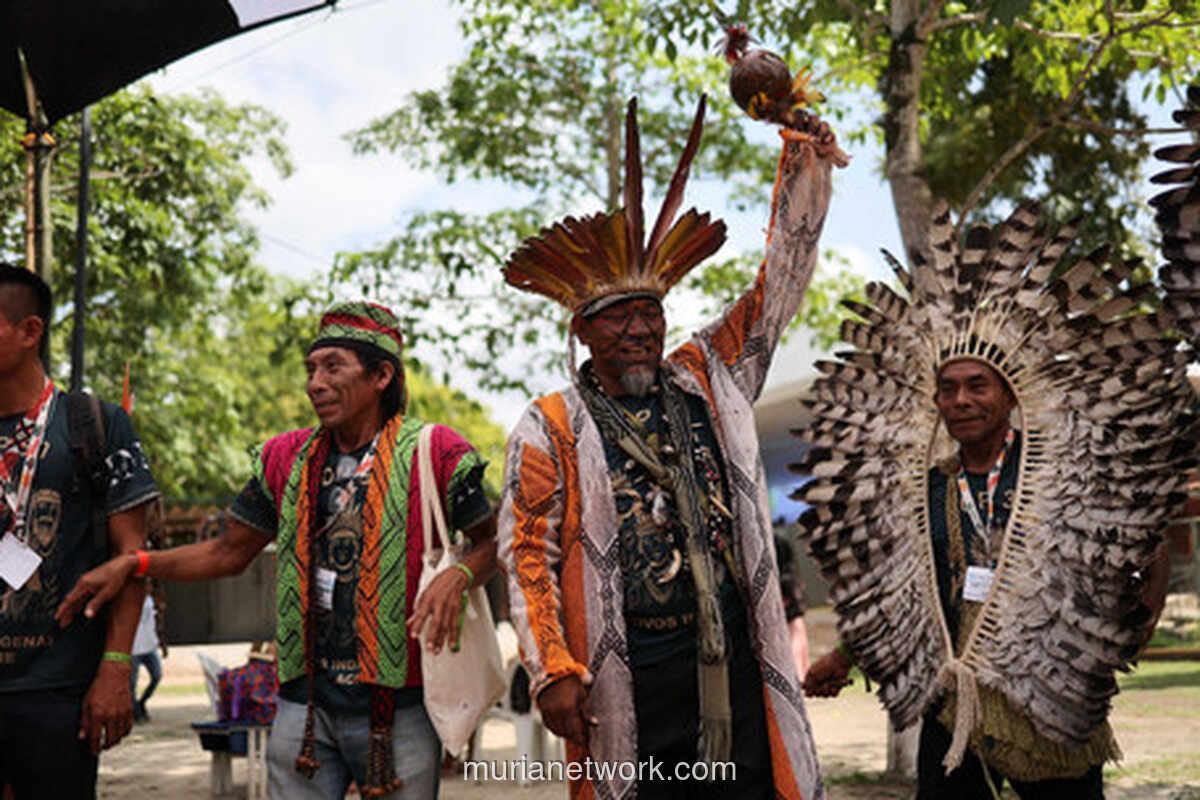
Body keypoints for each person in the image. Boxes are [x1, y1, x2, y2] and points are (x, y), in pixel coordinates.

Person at [497, 96, 844, 800]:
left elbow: (775, 288)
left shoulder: (707, 380)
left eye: (648, 313)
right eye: (615, 317)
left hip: (728, 653)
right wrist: (553, 668)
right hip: (632, 664)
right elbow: (525, 550)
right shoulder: (551, 422)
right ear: (583, 333)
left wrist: (803, 159)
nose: (636, 330)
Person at [57, 301, 498, 799]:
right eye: (311, 369)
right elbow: (228, 551)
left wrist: (457, 575)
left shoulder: (435, 452)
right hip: (303, 705)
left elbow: (491, 545)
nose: (315, 383)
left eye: (334, 367)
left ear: (381, 375)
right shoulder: (286, 458)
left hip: (402, 708)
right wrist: (136, 562)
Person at [802, 358, 1173, 799]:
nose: (961, 400)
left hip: (1050, 698)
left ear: (1010, 394)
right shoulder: (928, 490)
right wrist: (845, 656)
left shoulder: (1057, 472)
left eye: (978, 386)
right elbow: (901, 594)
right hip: (953, 701)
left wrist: (1138, 622)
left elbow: (1150, 537)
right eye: (948, 389)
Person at [0, 264, 158, 799]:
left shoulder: (93, 424)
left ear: (30, 332)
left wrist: (116, 667)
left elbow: (132, 559)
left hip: (55, 688)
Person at [129, 594, 161, 723]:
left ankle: (141, 703)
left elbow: (157, 622)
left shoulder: (151, 599)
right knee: (132, 684)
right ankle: (136, 713)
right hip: (134, 648)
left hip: (150, 646)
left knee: (156, 676)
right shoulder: (129, 598)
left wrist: (162, 643)